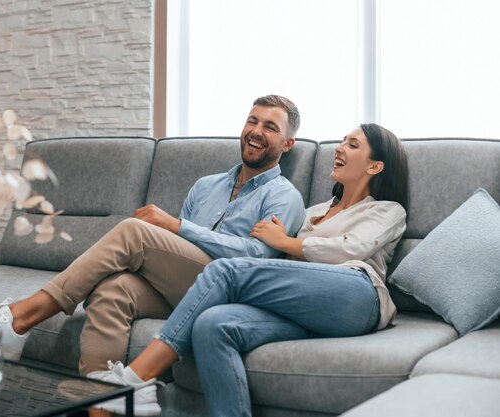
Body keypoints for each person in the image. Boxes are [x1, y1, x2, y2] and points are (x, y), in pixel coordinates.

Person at [0, 95, 306, 413]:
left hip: (228, 291)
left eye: (270, 127)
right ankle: (101, 406)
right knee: (112, 289)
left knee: (133, 231)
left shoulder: (283, 196)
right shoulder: (207, 185)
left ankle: (21, 316)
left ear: (288, 144)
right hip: (187, 290)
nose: (257, 131)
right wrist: (175, 232)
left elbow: (256, 258)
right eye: (253, 121)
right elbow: (177, 253)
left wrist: (177, 226)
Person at [86, 123, 409, 417]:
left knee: (226, 271)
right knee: (212, 324)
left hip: (356, 295)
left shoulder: (386, 210)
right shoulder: (315, 212)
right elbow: (288, 270)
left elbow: (350, 249)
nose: (339, 148)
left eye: (352, 145)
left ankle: (135, 380)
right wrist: (284, 246)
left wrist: (285, 242)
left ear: (374, 166)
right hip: (306, 309)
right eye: (341, 141)